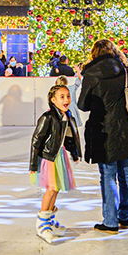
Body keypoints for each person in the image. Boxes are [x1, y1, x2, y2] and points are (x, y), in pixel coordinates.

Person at [77, 39, 128, 234]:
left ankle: (110, 221)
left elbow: (82, 105)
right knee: (126, 172)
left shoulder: (91, 73)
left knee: (108, 175)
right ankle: (125, 216)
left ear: (94, 53)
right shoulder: (125, 69)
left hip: (103, 131)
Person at [30, 81, 81, 244]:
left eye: (68, 96)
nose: (66, 99)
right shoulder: (48, 117)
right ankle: (42, 225)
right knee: (51, 189)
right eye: (62, 97)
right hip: (49, 158)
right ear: (53, 100)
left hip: (59, 156)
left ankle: (49, 221)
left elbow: (69, 137)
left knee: (56, 188)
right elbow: (36, 141)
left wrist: (74, 153)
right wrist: (33, 165)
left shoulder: (66, 116)